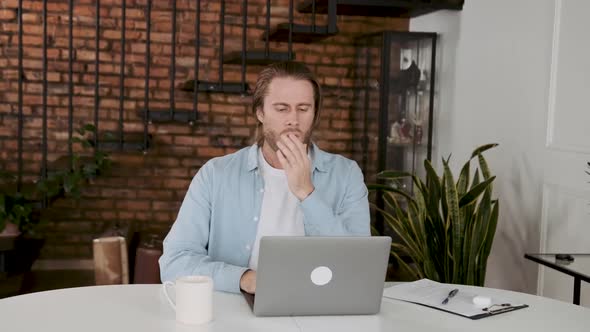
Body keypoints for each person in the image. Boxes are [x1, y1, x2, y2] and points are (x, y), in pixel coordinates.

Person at [159, 61, 370, 294]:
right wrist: (245, 279)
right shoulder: (215, 175)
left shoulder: (346, 174)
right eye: (281, 108)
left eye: (303, 108)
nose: (293, 120)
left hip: (319, 306)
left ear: (315, 113)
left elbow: (359, 264)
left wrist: (306, 192)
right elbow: (174, 262)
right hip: (237, 307)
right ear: (260, 112)